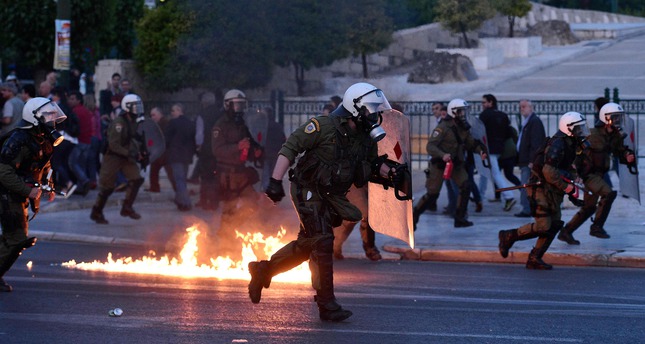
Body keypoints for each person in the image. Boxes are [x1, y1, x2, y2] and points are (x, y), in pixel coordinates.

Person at [248, 82, 408, 322]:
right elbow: (290, 148)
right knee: (323, 241)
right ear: (355, 108)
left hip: (333, 194)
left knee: (308, 244)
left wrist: (393, 173)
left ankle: (263, 270)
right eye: (370, 109)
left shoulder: (365, 139)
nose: (374, 115)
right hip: (307, 189)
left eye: (377, 109)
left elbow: (372, 165)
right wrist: (274, 181)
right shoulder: (323, 126)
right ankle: (327, 304)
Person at [498, 111, 589, 270]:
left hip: (553, 190)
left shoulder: (570, 143)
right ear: (568, 128)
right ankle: (508, 236)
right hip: (539, 189)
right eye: (578, 128)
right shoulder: (558, 144)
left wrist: (573, 180)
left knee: (554, 225)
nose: (581, 132)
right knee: (544, 226)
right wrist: (567, 186)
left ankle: (534, 258)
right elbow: (548, 171)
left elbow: (566, 167)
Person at [0, 97, 67, 291]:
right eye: (47, 115)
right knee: (17, 239)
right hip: (6, 194)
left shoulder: (43, 139)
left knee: (12, 238)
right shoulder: (18, 140)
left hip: (18, 194)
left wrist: (49, 185)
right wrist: (28, 190)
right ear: (34, 117)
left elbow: (44, 165)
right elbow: (4, 172)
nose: (51, 120)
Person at [558, 103, 636, 245]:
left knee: (589, 207)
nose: (618, 120)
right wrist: (575, 172)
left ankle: (566, 232)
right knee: (609, 193)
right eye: (615, 117)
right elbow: (577, 152)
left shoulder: (615, 136)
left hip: (600, 174)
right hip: (589, 174)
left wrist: (627, 156)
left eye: (619, 117)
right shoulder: (592, 135)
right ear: (606, 118)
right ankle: (597, 227)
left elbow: (619, 152)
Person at [413, 99, 487, 228]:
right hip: (439, 165)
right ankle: (414, 216)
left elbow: (471, 143)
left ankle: (459, 218)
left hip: (456, 164)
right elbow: (430, 146)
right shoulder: (443, 127)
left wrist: (481, 151)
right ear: (454, 112)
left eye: (464, 111)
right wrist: (443, 155)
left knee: (465, 186)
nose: (463, 114)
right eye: (461, 111)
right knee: (432, 195)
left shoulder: (464, 128)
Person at [211, 89, 263, 257]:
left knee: (253, 203)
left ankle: (231, 229)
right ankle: (224, 246)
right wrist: (236, 147)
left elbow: (251, 141)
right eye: (236, 104)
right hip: (227, 175)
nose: (239, 108)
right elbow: (217, 150)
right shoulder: (220, 125)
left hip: (242, 173)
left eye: (242, 104)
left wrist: (256, 150)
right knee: (229, 209)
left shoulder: (242, 124)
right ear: (228, 105)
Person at [90, 94, 147, 224]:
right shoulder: (119, 123)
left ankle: (127, 207)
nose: (137, 109)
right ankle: (97, 211)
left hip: (126, 156)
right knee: (107, 187)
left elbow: (133, 138)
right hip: (113, 157)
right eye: (134, 106)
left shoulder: (133, 121)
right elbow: (113, 145)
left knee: (136, 179)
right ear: (127, 107)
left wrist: (140, 152)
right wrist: (130, 153)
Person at [478, 94, 516, 211]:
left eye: (484, 102)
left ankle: (509, 196)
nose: (483, 105)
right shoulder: (503, 116)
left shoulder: (485, 115)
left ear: (490, 103)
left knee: (495, 174)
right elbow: (508, 132)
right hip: (499, 149)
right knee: (484, 173)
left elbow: (479, 131)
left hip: (488, 149)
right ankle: (479, 195)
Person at [332, 185, 382, 261]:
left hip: (368, 182)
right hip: (354, 182)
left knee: (361, 215)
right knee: (361, 214)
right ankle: (334, 245)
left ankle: (334, 246)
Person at [514, 99, 546, 217]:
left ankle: (527, 209)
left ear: (530, 108)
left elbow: (536, 143)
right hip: (525, 160)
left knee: (526, 185)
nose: (522, 109)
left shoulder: (534, 122)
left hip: (529, 162)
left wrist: (533, 160)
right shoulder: (528, 122)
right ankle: (528, 208)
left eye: (524, 106)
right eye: (520, 107)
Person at [165, 103, 196, 211]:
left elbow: (167, 139)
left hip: (175, 155)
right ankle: (179, 201)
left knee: (179, 180)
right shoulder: (191, 124)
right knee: (182, 179)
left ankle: (186, 202)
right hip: (187, 156)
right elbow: (194, 140)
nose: (172, 113)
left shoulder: (173, 123)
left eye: (173, 110)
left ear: (179, 110)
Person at [193, 92, 221, 210]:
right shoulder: (221, 115)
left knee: (205, 177)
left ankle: (204, 200)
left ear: (203, 102)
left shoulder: (202, 115)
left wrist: (198, 146)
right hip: (219, 149)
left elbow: (200, 133)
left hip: (206, 150)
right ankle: (215, 202)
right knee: (216, 176)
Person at [146, 107, 174, 193]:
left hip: (164, 152)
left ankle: (178, 189)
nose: (152, 117)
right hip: (159, 152)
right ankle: (154, 187)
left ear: (160, 114)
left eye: (154, 115)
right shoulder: (159, 123)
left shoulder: (165, 123)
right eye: (151, 115)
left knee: (170, 172)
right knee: (154, 170)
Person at [261, 107, 286, 190]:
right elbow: (283, 139)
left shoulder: (262, 126)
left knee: (265, 177)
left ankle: (266, 195)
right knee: (274, 176)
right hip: (275, 154)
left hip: (265, 155)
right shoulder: (277, 126)